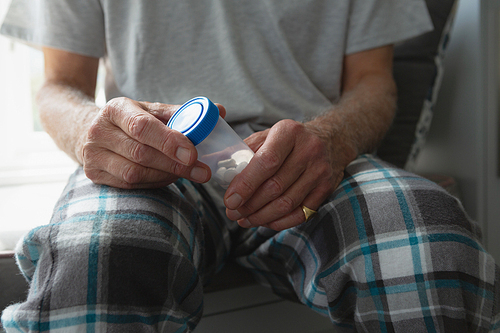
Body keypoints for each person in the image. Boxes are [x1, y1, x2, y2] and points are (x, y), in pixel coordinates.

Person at [1, 0, 499, 332]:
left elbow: (374, 81)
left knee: (433, 248)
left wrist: (333, 137)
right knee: (98, 259)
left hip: (307, 155)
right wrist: (96, 127)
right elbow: (58, 85)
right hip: (155, 158)